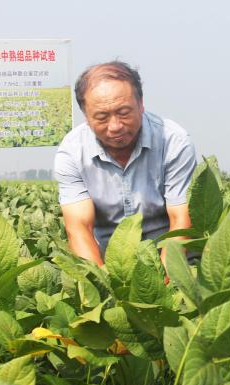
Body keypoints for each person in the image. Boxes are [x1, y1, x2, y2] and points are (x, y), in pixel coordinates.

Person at [54, 60, 196, 266]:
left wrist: (162, 286)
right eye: (102, 117)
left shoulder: (173, 141)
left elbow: (181, 220)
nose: (115, 126)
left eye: (124, 112)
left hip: (172, 258)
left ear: (141, 104)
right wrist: (104, 286)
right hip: (110, 265)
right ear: (86, 116)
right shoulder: (72, 152)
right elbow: (78, 228)